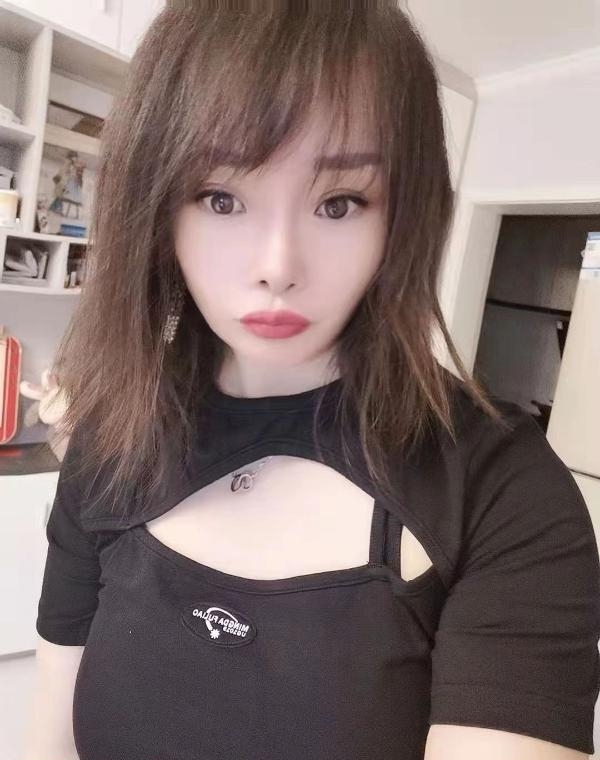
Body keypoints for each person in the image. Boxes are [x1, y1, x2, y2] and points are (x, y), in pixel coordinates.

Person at [23, 2, 600, 759]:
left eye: (339, 202)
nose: (278, 266)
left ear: (403, 217)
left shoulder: (502, 491)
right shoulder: (112, 439)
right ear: (157, 209)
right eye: (221, 198)